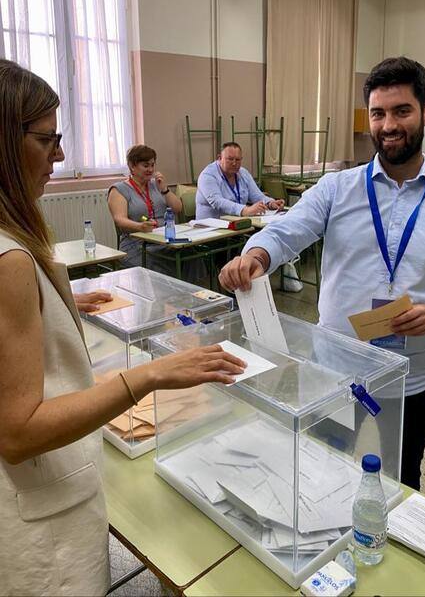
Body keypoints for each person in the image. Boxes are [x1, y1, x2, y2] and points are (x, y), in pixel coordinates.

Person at [0, 59, 246, 596]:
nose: (60, 155)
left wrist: (60, 301)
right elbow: (17, 432)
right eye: (48, 139)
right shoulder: (9, 260)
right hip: (38, 529)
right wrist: (152, 375)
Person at [219, 57, 425, 491]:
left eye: (401, 111)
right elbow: (289, 230)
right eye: (378, 113)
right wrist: (256, 256)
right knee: (321, 469)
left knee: (401, 478)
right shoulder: (336, 188)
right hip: (335, 370)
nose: (388, 125)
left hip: (414, 377)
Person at [108, 145, 183, 275]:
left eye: (152, 165)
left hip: (165, 241)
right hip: (137, 244)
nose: (150, 169)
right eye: (145, 165)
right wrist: (140, 226)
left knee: (192, 257)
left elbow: (178, 208)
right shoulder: (119, 189)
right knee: (159, 266)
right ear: (132, 166)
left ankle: (191, 293)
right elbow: (119, 219)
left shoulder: (156, 184)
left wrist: (164, 189)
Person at [196, 142, 284, 219]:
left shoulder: (243, 173)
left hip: (238, 225)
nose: (234, 163)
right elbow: (217, 202)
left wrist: (270, 203)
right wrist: (245, 210)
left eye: (238, 160)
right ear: (219, 158)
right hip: (211, 228)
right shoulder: (208, 175)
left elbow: (257, 196)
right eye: (230, 159)